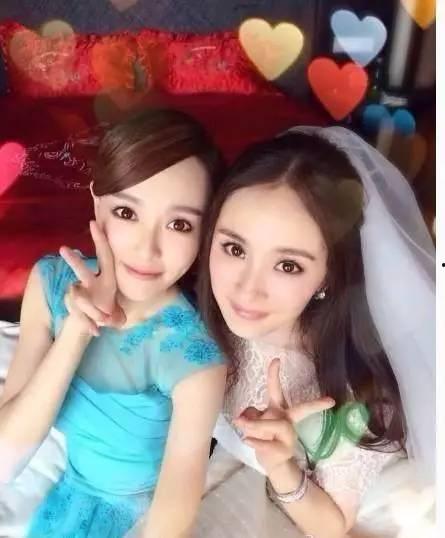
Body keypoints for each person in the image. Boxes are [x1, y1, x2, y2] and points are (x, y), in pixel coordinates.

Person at [196, 126, 435, 538]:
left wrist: (281, 465)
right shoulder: (209, 314)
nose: (247, 289)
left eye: (288, 265)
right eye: (235, 249)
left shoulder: (349, 391)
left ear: (327, 276)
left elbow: (332, 525)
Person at [0, 108, 228, 538]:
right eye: (126, 213)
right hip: (64, 492)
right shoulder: (51, 282)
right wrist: (75, 331)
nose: (147, 248)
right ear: (96, 202)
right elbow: (4, 463)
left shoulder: (195, 356)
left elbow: (173, 510)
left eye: (179, 224)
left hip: (135, 515)